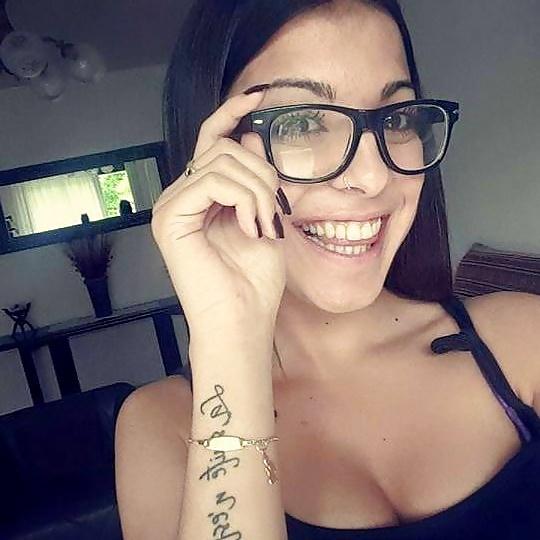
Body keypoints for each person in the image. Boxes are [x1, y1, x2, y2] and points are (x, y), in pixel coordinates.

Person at [114, 1, 540, 539]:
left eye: (396, 118)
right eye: (302, 122)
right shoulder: (163, 425)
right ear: (214, 156)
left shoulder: (523, 339)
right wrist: (230, 338)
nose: (372, 176)